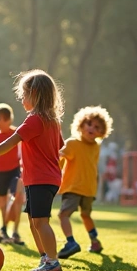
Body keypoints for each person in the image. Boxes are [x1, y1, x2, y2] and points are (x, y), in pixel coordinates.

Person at [0, 70, 65, 271]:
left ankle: (53, 261)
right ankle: (45, 258)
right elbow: (61, 147)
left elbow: (10, 142)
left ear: (34, 94)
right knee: (33, 222)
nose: (22, 99)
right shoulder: (52, 121)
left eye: (23, 94)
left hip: (41, 179)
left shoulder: (35, 120)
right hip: (41, 179)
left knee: (40, 222)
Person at [57, 106, 113, 258]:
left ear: (102, 133)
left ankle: (73, 242)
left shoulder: (95, 147)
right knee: (76, 215)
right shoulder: (72, 143)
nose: (92, 129)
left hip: (83, 188)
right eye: (89, 124)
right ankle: (91, 241)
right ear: (81, 125)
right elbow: (60, 158)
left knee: (67, 215)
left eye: (97, 127)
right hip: (76, 187)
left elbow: (92, 167)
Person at [0, 103, 24, 244]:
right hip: (0, 173)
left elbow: (24, 152)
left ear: (8, 119)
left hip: (15, 171)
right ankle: (4, 229)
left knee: (17, 200)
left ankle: (15, 231)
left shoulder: (17, 133)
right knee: (2, 202)